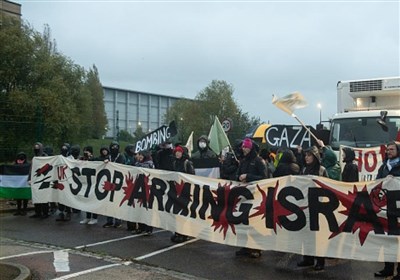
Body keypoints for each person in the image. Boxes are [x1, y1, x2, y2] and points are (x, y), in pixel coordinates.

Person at [235, 138, 269, 258]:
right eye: (243, 147)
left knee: (255, 223)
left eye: (246, 147)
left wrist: (248, 176)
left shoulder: (259, 161)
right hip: (244, 197)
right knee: (244, 222)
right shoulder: (243, 161)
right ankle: (245, 246)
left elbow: (264, 178)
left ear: (251, 148)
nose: (244, 149)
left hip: (256, 197)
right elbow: (237, 174)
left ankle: (256, 248)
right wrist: (239, 177)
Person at [297, 145, 328, 271]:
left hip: (319, 206)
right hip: (306, 205)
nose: (306, 157)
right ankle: (308, 258)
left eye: (309, 155)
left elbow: (328, 187)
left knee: (318, 235)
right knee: (306, 233)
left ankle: (320, 260)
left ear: (315, 156)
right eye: (305, 155)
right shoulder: (304, 169)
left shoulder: (321, 170)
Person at [374, 142, 400, 279]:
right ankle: (388, 268)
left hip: (399, 209)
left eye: (392, 149)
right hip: (386, 208)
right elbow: (377, 183)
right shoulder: (384, 166)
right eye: (388, 149)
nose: (389, 151)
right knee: (387, 239)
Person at [170, 145, 195, 243]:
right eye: (176, 151)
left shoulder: (187, 163)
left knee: (184, 212)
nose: (177, 153)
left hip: (185, 192)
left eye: (179, 151)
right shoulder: (175, 163)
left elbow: (192, 176)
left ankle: (185, 233)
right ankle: (178, 232)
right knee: (177, 212)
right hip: (177, 191)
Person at [103, 141, 126, 228]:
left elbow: (122, 166)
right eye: (113, 147)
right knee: (108, 201)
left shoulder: (121, 156)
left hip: (118, 182)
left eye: (116, 147)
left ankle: (118, 220)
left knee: (116, 201)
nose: (114, 149)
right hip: (109, 181)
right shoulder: (108, 157)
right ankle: (109, 220)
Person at [132, 150, 155, 235]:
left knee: (147, 209)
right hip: (138, 188)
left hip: (147, 188)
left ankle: (148, 228)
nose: (139, 156)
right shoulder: (137, 164)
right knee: (139, 208)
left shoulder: (150, 164)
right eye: (139, 155)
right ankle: (141, 227)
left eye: (141, 155)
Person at [29, 142, 50, 219]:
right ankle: (37, 212)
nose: (36, 149)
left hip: (44, 179)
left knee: (44, 197)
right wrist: (29, 178)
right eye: (35, 148)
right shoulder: (34, 157)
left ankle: (45, 213)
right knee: (36, 196)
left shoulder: (45, 156)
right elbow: (31, 169)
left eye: (38, 148)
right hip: (36, 179)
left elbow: (48, 167)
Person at [79, 146, 98, 225]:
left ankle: (94, 218)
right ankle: (87, 217)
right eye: (85, 151)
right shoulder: (82, 159)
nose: (86, 153)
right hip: (86, 183)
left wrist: (90, 158)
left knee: (93, 200)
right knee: (86, 200)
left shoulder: (95, 159)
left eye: (87, 151)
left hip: (93, 182)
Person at [13, 152, 30, 216]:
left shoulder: (28, 165)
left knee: (25, 197)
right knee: (18, 197)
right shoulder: (15, 165)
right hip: (18, 184)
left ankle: (24, 210)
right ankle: (18, 210)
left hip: (25, 183)